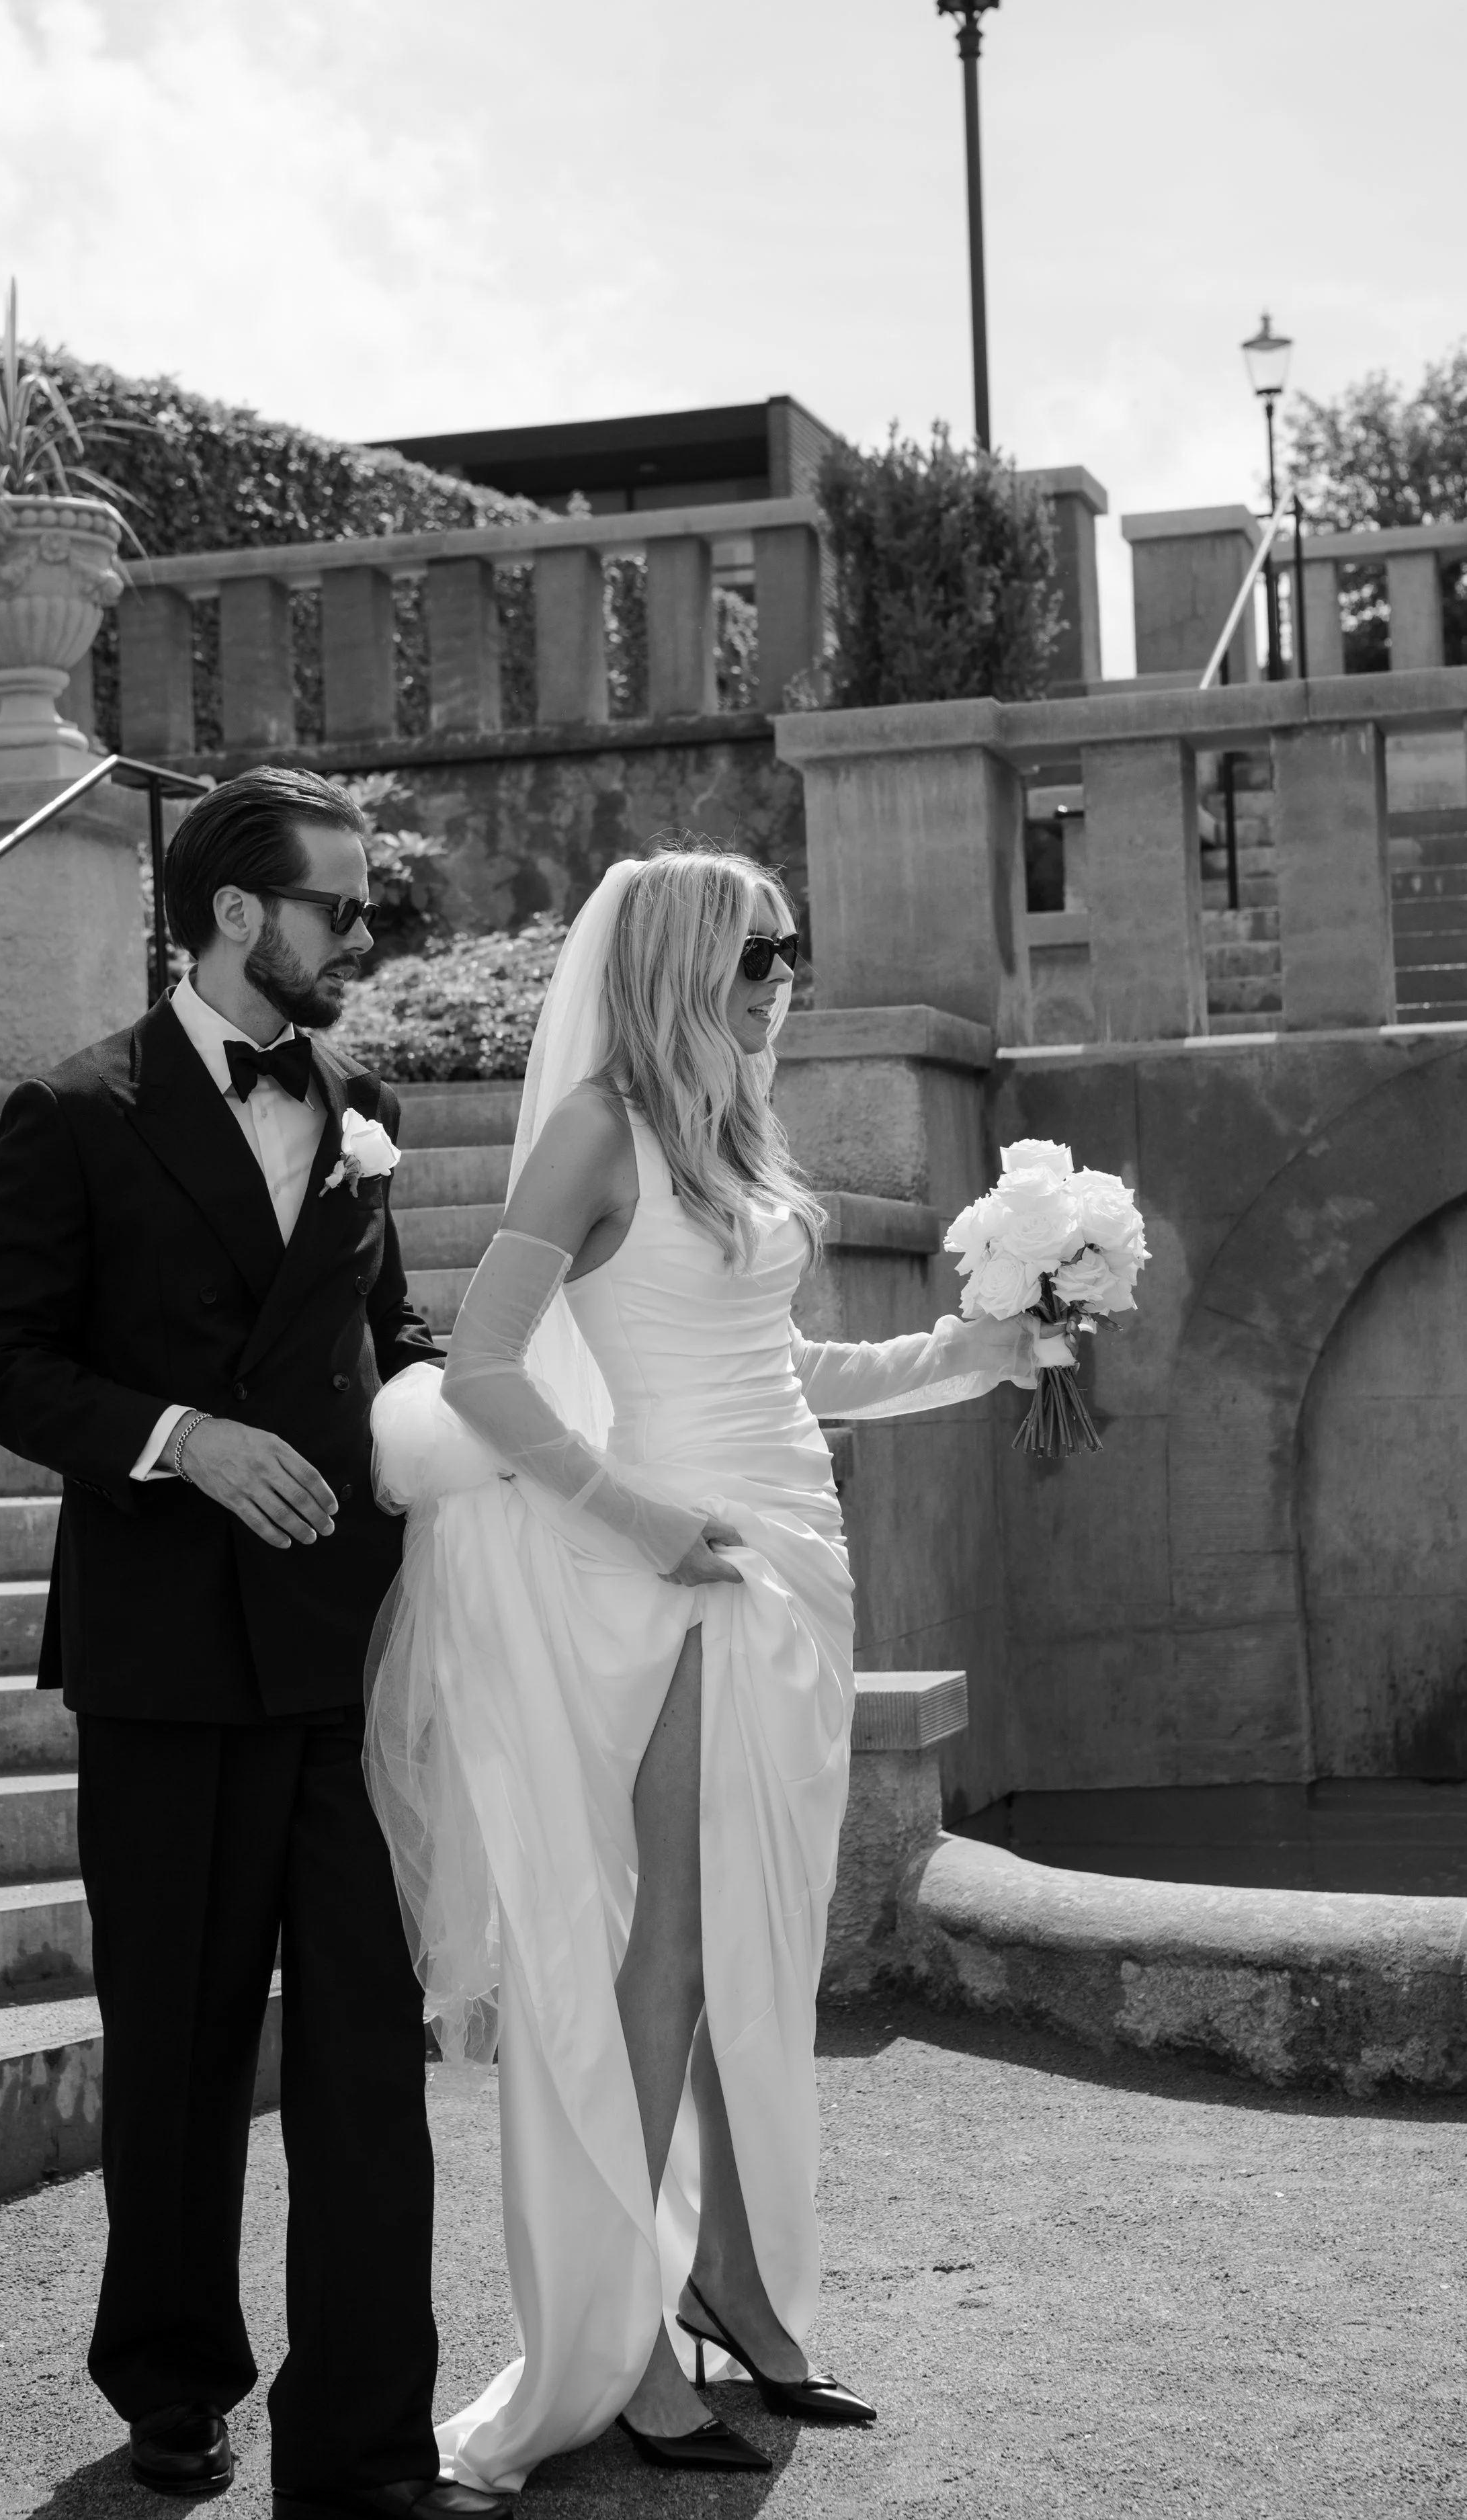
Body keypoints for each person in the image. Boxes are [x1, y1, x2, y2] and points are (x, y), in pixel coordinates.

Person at [365, 846, 1040, 2492]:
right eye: (754, 953)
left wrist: (970, 1352)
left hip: (790, 1558)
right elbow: (481, 1369)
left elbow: (777, 1366)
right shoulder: (594, 1128)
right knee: (666, 1953)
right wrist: (638, 1518)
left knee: (756, 1946)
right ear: (678, 961)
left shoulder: (730, 1128)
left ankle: (731, 2285)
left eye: (787, 951)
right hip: (672, 1571)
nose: (779, 977)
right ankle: (626, 2352)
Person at [0, 766, 511, 2520]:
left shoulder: (364, 1106)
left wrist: (463, 1414)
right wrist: (179, 1436)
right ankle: (174, 2383)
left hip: (344, 1649)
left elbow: (384, 1327)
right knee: (180, 2052)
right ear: (235, 914)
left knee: (365, 2063)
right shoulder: (74, 1110)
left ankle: (365, 2448)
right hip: (166, 1662)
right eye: (339, 907)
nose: (363, 937)